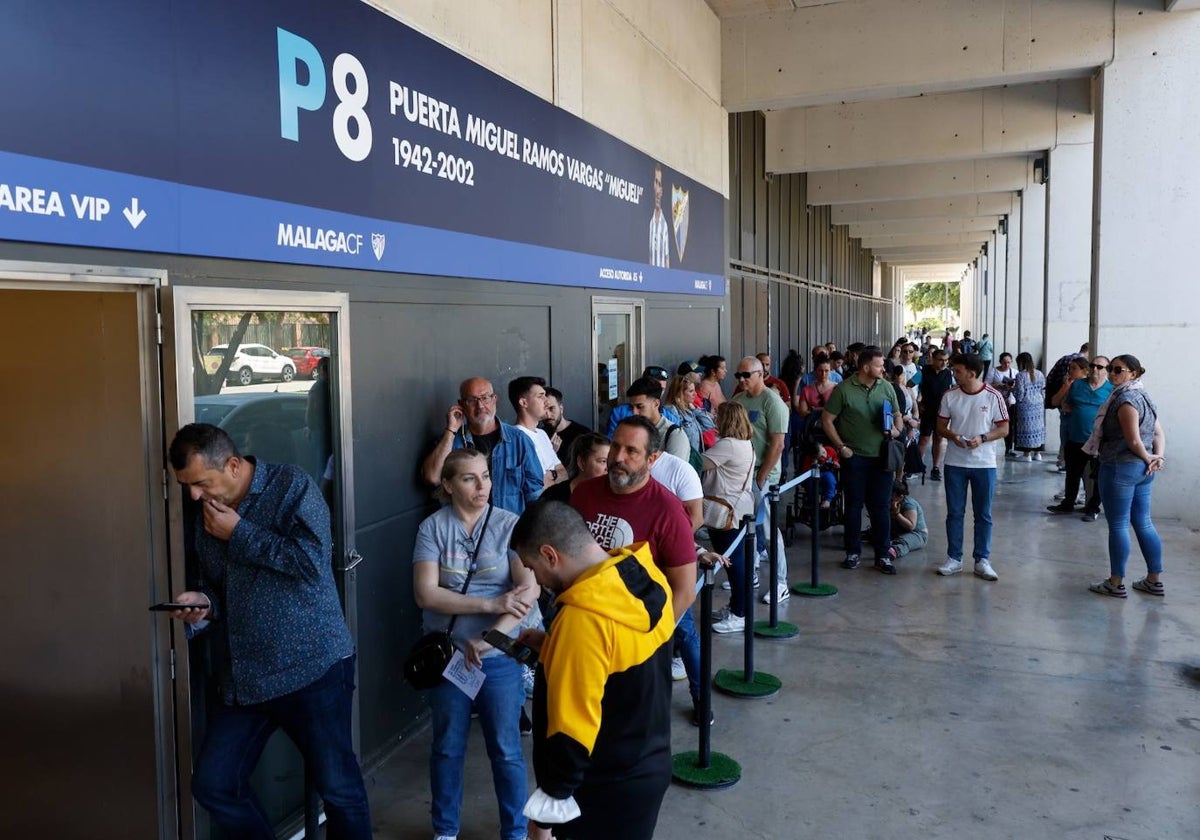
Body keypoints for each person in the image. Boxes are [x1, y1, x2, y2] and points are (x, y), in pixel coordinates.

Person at [166, 424, 371, 840]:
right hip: (247, 679)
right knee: (213, 784)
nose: (194, 496)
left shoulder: (291, 486)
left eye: (200, 483)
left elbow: (311, 564)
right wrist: (203, 605)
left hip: (312, 669)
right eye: (186, 486)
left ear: (233, 465)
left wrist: (239, 532)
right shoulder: (203, 514)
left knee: (340, 790)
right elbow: (222, 588)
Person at [512, 502, 674, 840]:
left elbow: (571, 738)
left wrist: (543, 820)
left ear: (550, 555)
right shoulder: (647, 576)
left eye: (532, 567)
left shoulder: (580, 622)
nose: (536, 580)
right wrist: (553, 647)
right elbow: (617, 664)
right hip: (649, 768)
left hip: (602, 791)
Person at [412, 450, 542, 840]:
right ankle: (445, 830)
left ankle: (515, 832)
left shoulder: (508, 524)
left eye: (485, 476)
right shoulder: (432, 528)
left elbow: (529, 590)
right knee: (447, 746)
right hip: (449, 653)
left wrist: (488, 640)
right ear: (448, 485)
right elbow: (425, 594)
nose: (482, 485)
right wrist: (490, 603)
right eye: (469, 479)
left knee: (505, 748)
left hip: (499, 652)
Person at [570, 417, 715, 726]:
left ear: (651, 459)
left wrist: (651, 641)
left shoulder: (668, 509)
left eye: (631, 451)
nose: (619, 458)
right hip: (587, 632)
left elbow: (685, 590)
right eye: (616, 448)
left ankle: (701, 697)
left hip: (640, 641)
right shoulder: (583, 494)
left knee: (636, 725)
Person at [1085, 355, 1166, 598]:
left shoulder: (1125, 400)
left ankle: (1115, 581)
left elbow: (1133, 441)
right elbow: (1158, 434)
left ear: (1134, 373)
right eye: (1110, 369)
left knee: (1119, 524)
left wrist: (1149, 457)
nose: (1111, 374)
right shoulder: (1144, 396)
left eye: (1117, 370)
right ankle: (1153, 580)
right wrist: (1156, 457)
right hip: (1143, 470)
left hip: (1122, 467)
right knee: (1143, 522)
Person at [821, 347, 904, 574]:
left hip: (882, 458)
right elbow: (827, 419)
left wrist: (897, 429)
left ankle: (882, 555)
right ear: (866, 367)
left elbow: (897, 414)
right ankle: (853, 551)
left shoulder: (887, 387)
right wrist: (841, 447)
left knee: (881, 508)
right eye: (879, 365)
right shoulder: (844, 390)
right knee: (854, 507)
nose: (883, 369)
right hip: (854, 458)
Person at [934, 353, 1009, 581]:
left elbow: (1004, 428)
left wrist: (983, 438)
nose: (954, 374)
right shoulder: (950, 396)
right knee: (955, 513)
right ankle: (954, 558)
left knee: (983, 514)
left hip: (984, 464)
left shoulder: (993, 396)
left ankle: (982, 560)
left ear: (971, 373)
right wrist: (953, 435)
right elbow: (940, 426)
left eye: (957, 371)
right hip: (955, 463)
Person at [422, 377, 543, 514]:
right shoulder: (452, 441)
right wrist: (451, 430)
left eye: (485, 398)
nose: (480, 406)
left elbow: (534, 495)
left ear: (494, 399)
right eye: (472, 400)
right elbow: (432, 478)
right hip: (465, 530)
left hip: (509, 530)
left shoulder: (519, 440)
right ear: (461, 404)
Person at [730, 356, 792, 601]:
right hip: (742, 476)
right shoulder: (738, 401)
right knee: (745, 527)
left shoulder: (773, 403)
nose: (742, 380)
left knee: (767, 531)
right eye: (738, 376)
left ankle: (780, 582)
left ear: (760, 374)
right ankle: (750, 573)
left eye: (746, 375)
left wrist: (762, 477)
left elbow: (778, 445)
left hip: (762, 477)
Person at [702, 402, 757, 635]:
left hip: (727, 512)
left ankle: (739, 614)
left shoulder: (728, 445)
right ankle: (737, 607)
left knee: (733, 564)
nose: (715, 419)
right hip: (740, 507)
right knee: (738, 562)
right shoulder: (746, 443)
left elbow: (699, 462)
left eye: (718, 416)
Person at [1048, 356, 1111, 519]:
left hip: (1098, 441)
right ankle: (1068, 503)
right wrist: (1066, 406)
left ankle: (1093, 508)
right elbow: (1062, 402)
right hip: (1075, 437)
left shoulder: (1111, 389)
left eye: (1100, 367)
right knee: (1072, 473)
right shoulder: (1077, 385)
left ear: (1107, 370)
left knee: (1098, 477)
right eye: (1093, 365)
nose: (1095, 369)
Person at [509, 376, 566, 487]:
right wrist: (554, 474)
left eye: (545, 395)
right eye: (540, 396)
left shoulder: (542, 434)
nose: (547, 401)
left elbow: (563, 473)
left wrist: (551, 475)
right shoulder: (516, 438)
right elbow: (536, 487)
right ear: (523, 403)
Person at [624, 376, 692, 464]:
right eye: (631, 408)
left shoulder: (675, 435)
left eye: (640, 407)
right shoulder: (631, 431)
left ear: (656, 404)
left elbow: (673, 472)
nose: (634, 412)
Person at [604, 366, 681, 435]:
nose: (659, 392)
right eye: (654, 386)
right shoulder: (619, 413)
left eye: (662, 389)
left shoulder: (671, 419)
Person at [539, 432, 610, 504]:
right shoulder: (554, 497)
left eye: (610, 462)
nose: (608, 468)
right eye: (603, 461)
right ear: (582, 462)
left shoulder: (611, 498)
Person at [917, 349, 953, 480]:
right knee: (924, 439)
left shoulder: (949, 374)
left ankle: (936, 468)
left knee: (938, 439)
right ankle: (918, 466)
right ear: (933, 359)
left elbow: (955, 389)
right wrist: (918, 403)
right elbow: (910, 385)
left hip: (942, 412)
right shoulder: (923, 371)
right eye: (940, 360)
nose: (944, 363)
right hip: (927, 411)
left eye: (946, 360)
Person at [665, 374, 715, 459]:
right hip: (682, 459)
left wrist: (695, 409)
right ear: (680, 393)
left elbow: (709, 425)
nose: (695, 394)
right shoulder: (671, 410)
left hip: (693, 459)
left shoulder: (690, 410)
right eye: (691, 391)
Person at [1010, 352, 1047, 460]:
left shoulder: (1020, 375)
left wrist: (1012, 391)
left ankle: (1027, 455)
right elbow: (1043, 390)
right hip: (1039, 404)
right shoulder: (1039, 373)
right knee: (1038, 429)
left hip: (1025, 405)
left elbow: (1020, 393)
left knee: (1026, 429)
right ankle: (1038, 454)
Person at [541, 387, 591, 460]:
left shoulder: (582, 434)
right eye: (544, 410)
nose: (548, 414)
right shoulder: (539, 436)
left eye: (551, 408)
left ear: (561, 409)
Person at [986, 352, 1018, 454]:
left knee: (1010, 425)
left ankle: (1009, 447)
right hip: (997, 402)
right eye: (1004, 363)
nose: (1007, 365)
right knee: (994, 424)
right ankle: (988, 444)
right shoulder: (993, 371)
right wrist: (999, 386)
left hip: (1010, 401)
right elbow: (986, 385)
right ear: (1000, 362)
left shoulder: (1014, 372)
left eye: (1009, 362)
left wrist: (1012, 387)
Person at [888, 479, 928, 558]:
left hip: (917, 534)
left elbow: (911, 526)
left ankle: (895, 550)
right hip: (898, 532)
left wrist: (897, 514)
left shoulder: (909, 504)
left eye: (892, 498)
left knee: (904, 542)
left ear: (900, 497)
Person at [649, 163, 670, 268]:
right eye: (656, 182)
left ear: (662, 190)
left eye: (660, 184)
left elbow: (667, 259)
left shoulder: (665, 225)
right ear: (653, 185)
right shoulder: (650, 223)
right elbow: (650, 257)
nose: (658, 189)